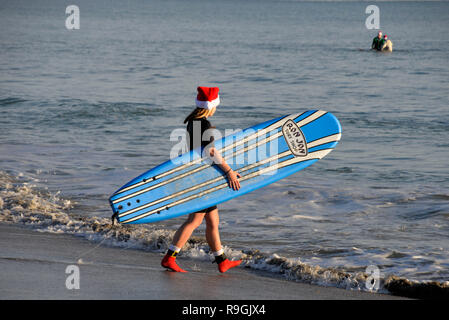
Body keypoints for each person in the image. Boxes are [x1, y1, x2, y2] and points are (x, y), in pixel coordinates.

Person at [161, 86, 243, 273]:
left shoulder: (193, 122)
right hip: (201, 179)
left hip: (201, 175)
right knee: (194, 220)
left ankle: (222, 260)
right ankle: (169, 257)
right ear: (210, 105)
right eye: (216, 105)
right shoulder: (203, 124)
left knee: (213, 221)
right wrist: (229, 171)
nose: (216, 109)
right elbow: (210, 151)